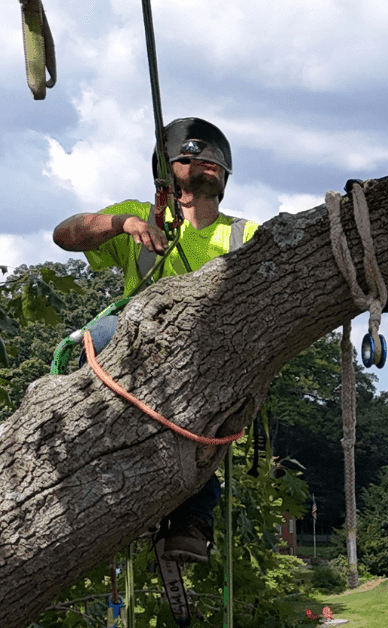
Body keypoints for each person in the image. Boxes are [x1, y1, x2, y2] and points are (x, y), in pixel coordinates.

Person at [53, 117, 257, 562]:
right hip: (138, 349)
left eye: (213, 161)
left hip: (208, 363)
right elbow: (65, 234)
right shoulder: (143, 221)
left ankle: (189, 521)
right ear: (166, 173)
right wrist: (122, 224)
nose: (204, 163)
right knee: (103, 333)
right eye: (190, 157)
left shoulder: (244, 235)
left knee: (198, 436)